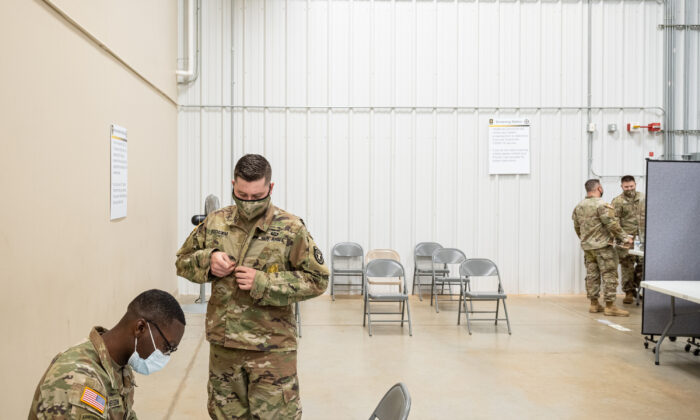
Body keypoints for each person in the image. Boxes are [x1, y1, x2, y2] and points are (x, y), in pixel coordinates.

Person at [176, 154, 329, 419]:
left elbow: (318, 280)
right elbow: (181, 262)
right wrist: (208, 261)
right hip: (225, 350)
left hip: (272, 350)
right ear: (232, 185)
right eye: (241, 195)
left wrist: (265, 283)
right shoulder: (215, 222)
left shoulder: (291, 228)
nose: (248, 203)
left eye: (256, 196)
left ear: (270, 188)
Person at [28, 289, 186, 419]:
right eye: (167, 347)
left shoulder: (121, 367)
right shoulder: (80, 381)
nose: (166, 355)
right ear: (140, 328)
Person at [572, 179, 633, 316]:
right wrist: (625, 238)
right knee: (609, 275)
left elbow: (577, 227)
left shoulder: (579, 206)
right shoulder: (602, 205)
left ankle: (594, 305)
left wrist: (586, 239)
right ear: (599, 188)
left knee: (592, 276)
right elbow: (612, 224)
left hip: (588, 247)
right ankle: (610, 306)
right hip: (603, 247)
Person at [611, 175, 645, 304]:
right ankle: (629, 292)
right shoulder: (617, 201)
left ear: (635, 184)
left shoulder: (643, 198)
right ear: (622, 186)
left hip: (642, 238)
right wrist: (623, 238)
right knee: (627, 266)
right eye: (626, 187)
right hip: (626, 239)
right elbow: (614, 222)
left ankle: (637, 287)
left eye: (631, 186)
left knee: (643, 264)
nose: (629, 189)